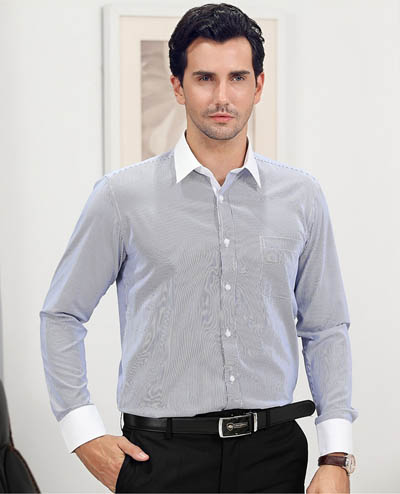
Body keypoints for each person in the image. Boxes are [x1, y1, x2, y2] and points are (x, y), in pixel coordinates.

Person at [39, 3, 358, 493]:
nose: (222, 96)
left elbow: (326, 327)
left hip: (273, 457)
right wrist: (83, 435)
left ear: (258, 86)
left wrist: (336, 455)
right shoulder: (121, 197)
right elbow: (62, 315)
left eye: (237, 77)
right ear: (177, 86)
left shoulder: (303, 196)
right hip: (160, 460)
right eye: (205, 78)